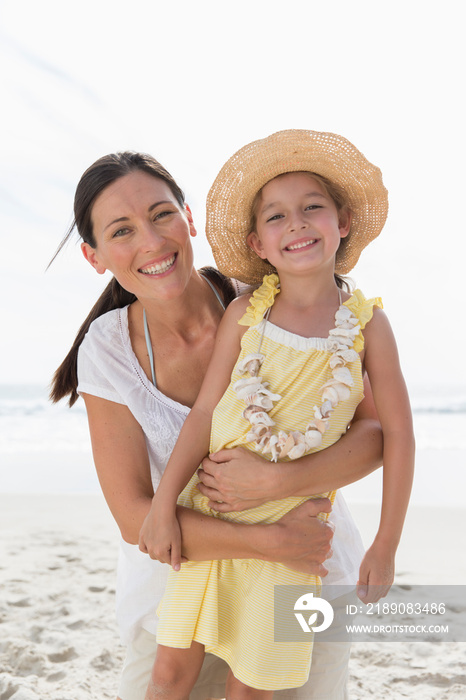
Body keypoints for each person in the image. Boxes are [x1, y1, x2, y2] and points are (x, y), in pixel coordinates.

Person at [50, 150, 383, 700]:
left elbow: (376, 434)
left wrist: (279, 484)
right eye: (122, 231)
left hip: (305, 577)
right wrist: (270, 542)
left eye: (161, 215)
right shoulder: (107, 350)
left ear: (189, 218)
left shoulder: (271, 298)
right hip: (177, 596)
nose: (152, 243)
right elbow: (136, 519)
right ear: (95, 255)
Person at [140, 130, 415, 699]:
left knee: (254, 686)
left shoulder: (367, 327)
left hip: (295, 536)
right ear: (258, 244)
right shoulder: (246, 312)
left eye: (312, 207)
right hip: (214, 516)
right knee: (169, 674)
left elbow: (399, 435)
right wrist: (164, 503)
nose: (296, 223)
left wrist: (386, 542)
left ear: (342, 223)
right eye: (277, 216)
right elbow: (205, 412)